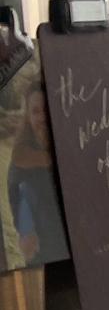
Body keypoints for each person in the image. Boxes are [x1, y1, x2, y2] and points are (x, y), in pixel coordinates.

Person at [8, 84, 68, 267]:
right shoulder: (22, 156)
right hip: (44, 250)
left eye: (46, 110)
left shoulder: (70, 143)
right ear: (28, 117)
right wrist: (27, 230)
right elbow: (20, 195)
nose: (41, 118)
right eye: (35, 112)